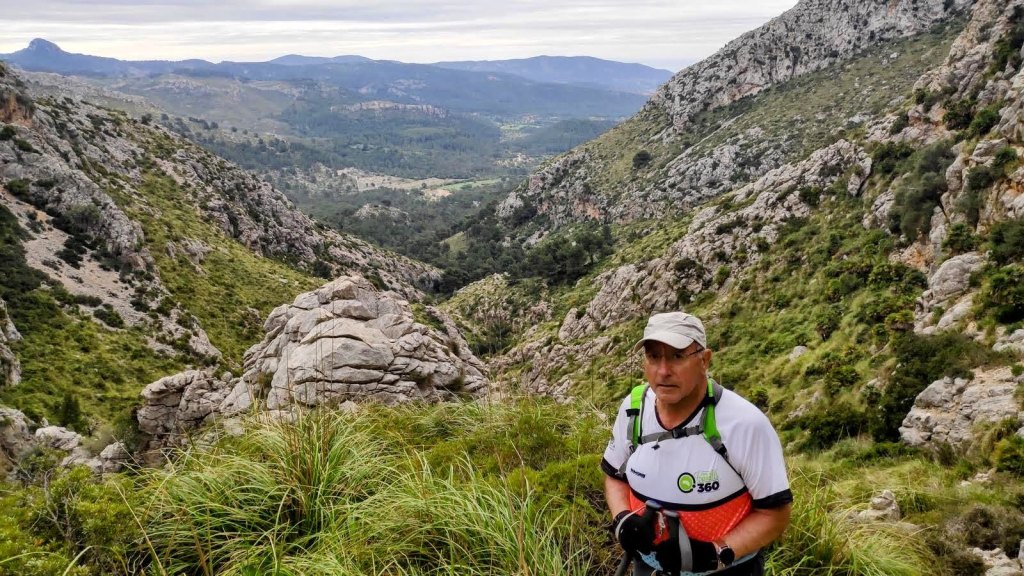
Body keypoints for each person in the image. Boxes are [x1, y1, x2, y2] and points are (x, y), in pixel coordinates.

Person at [601, 311, 792, 575]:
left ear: (704, 360)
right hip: (648, 566)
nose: (663, 371)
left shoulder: (744, 424)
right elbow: (614, 476)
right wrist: (623, 519)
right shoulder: (633, 409)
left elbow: (775, 513)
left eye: (677, 357)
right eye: (654, 356)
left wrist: (716, 553)